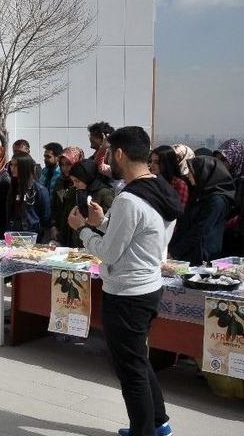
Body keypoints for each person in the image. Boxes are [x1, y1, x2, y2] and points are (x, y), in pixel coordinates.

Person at [67, 126, 180, 436]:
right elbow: (143, 237)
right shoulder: (158, 188)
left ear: (119, 154)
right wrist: (103, 222)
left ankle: (144, 431)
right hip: (147, 286)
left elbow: (110, 253)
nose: (106, 161)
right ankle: (158, 423)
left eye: (107, 154)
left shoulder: (130, 199)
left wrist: (83, 229)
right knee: (137, 360)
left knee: (129, 369)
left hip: (127, 293)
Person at [169, 156, 235, 266]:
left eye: (191, 172)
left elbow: (200, 230)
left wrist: (175, 252)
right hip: (188, 251)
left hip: (202, 255)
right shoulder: (201, 194)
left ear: (204, 173)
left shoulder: (217, 200)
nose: (188, 175)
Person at [5, 152, 50, 233]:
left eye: (16, 165)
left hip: (32, 234)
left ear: (24, 167)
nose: (12, 168)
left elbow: (45, 217)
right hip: (12, 232)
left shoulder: (39, 190)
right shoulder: (12, 187)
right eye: (11, 165)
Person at [50, 146, 85, 248]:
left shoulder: (83, 182)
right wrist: (53, 226)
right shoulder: (60, 182)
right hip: (62, 231)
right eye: (62, 164)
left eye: (69, 164)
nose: (65, 168)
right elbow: (55, 206)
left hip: (78, 233)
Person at [214, 139, 244, 256]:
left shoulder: (241, 183)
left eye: (224, 160)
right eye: (217, 160)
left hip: (237, 237)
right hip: (220, 238)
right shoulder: (218, 181)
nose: (220, 164)